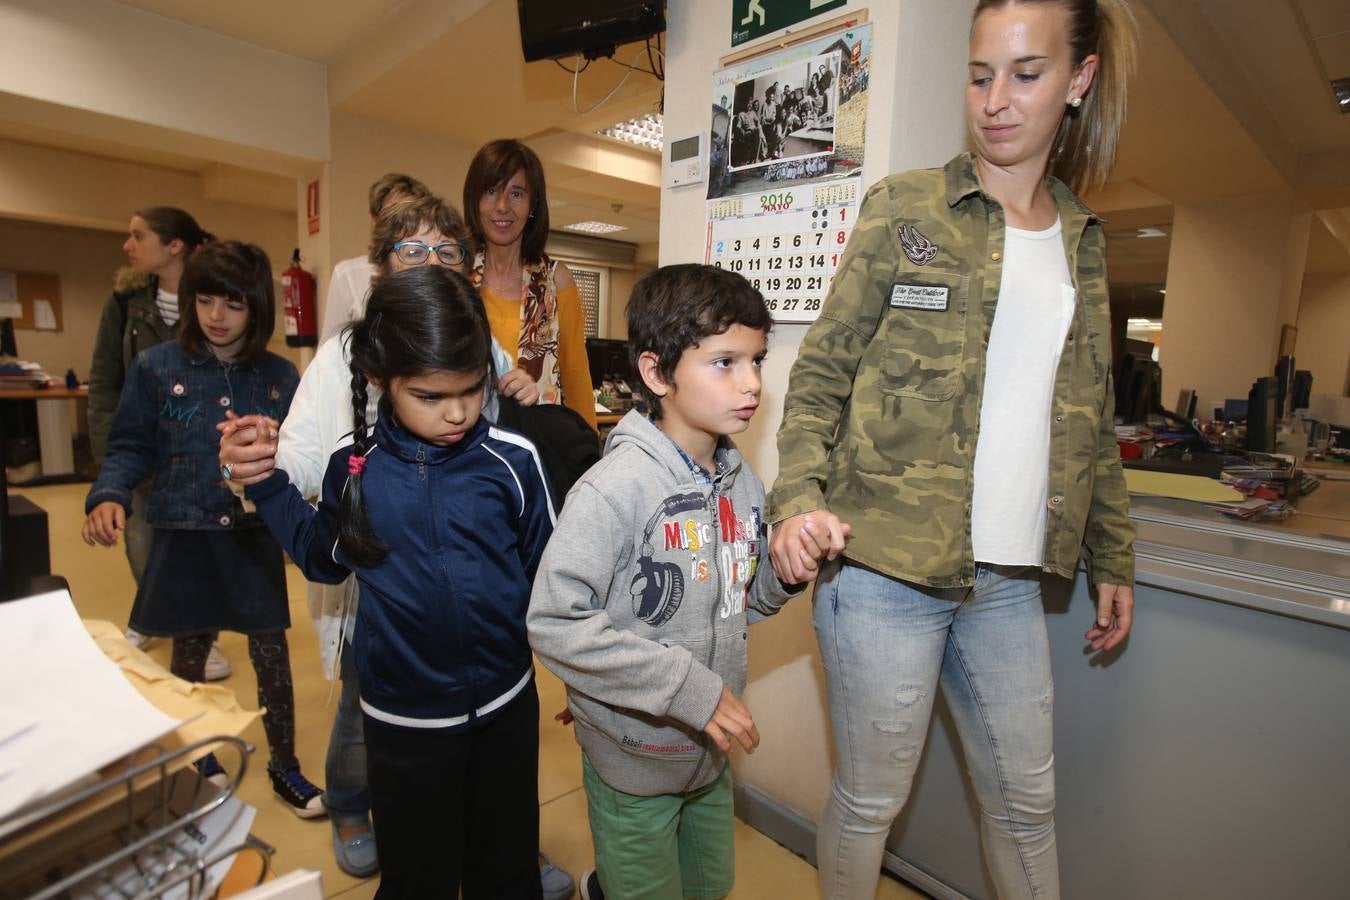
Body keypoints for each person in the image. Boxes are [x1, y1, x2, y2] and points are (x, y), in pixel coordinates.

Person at [767, 2, 1139, 897]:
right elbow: (819, 375)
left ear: (1079, 81)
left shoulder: (1083, 245)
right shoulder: (907, 208)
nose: (996, 101)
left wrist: (1114, 553)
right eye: (980, 76)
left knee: (1025, 805)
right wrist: (796, 501)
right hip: (884, 571)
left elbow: (1090, 417)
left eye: (1026, 74)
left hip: (1008, 585)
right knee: (871, 800)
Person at [215, 197, 571, 896]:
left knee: (505, 862)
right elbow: (321, 558)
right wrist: (266, 487)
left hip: (506, 704)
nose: (459, 411)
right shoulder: (357, 468)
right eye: (432, 396)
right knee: (418, 873)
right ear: (382, 380)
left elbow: (549, 579)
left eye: (471, 390)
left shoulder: (513, 460)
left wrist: (582, 675)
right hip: (403, 719)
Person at [528, 264, 803, 900]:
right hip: (631, 758)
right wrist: (687, 689)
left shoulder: (743, 484)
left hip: (707, 761)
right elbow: (553, 622)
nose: (753, 382)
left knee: (710, 886)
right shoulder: (614, 489)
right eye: (725, 362)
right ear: (657, 374)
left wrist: (785, 575)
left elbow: (741, 601)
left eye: (756, 360)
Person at [82, 240, 323, 817]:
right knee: (187, 658)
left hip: (249, 536)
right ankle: (196, 758)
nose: (216, 316)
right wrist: (108, 494)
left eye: (233, 304)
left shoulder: (279, 375)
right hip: (183, 533)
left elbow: (300, 453)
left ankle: (284, 765)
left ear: (257, 307)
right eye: (205, 300)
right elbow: (129, 445)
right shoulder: (156, 367)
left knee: (271, 654)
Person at [87, 207, 231, 679]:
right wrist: (111, 459)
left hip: (198, 448)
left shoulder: (214, 299)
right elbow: (106, 379)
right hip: (142, 444)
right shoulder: (126, 302)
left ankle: (200, 633)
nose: (128, 246)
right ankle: (154, 614)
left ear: (174, 246)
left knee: (200, 546)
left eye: (138, 236)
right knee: (143, 541)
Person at [463, 139, 599, 431]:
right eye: (490, 192)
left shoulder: (555, 281)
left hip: (541, 445)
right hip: (466, 449)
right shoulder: (456, 279)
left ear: (532, 204)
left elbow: (576, 377)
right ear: (474, 201)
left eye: (516, 193)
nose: (502, 206)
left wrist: (587, 454)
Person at [318, 173, 433, 343]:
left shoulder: (433, 270)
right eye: (392, 214)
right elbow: (328, 351)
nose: (403, 224)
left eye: (412, 214)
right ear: (374, 220)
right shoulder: (348, 275)